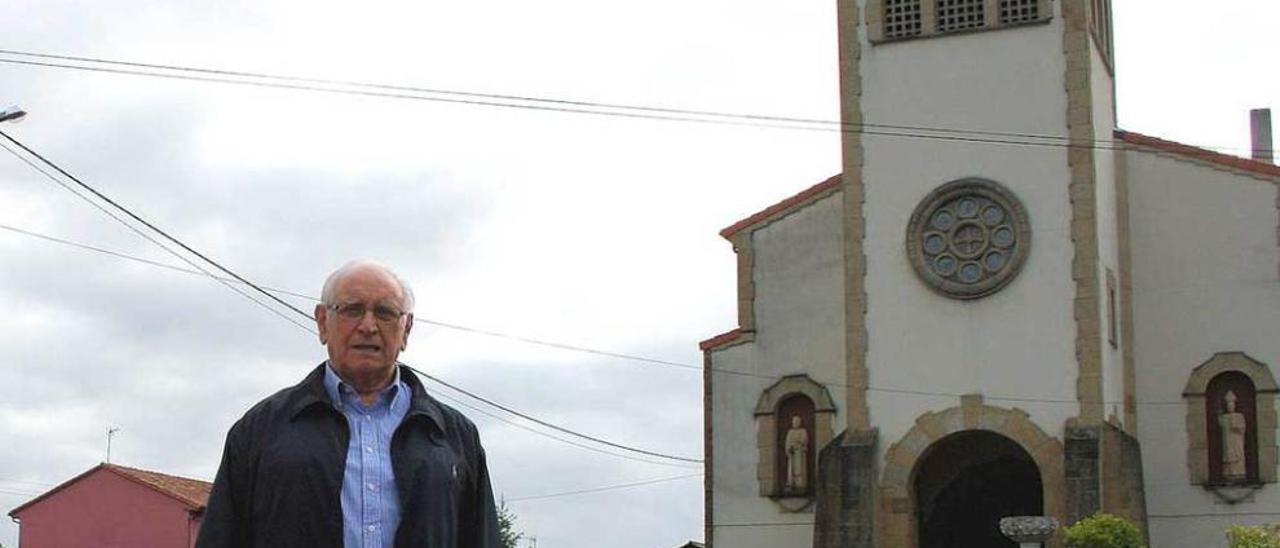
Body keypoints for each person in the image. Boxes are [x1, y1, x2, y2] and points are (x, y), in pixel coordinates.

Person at [197, 260, 499, 548]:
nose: (368, 326)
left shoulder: (454, 438)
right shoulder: (261, 431)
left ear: (406, 330)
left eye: (385, 312)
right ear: (322, 322)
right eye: (352, 310)